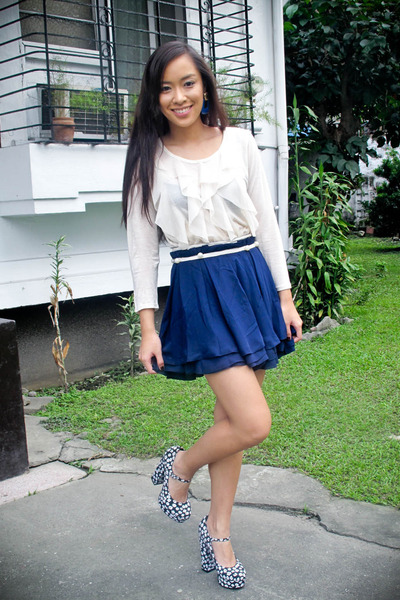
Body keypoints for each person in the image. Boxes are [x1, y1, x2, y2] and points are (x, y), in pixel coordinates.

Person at [122, 41, 302, 590]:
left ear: (205, 87)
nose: (179, 96)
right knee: (253, 422)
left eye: (188, 83)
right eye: (166, 88)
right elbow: (141, 249)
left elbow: (267, 223)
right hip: (198, 287)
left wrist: (284, 294)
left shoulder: (240, 143)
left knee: (233, 424)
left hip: (248, 278)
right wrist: (148, 328)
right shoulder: (147, 159)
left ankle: (217, 532)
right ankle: (180, 468)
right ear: (155, 99)